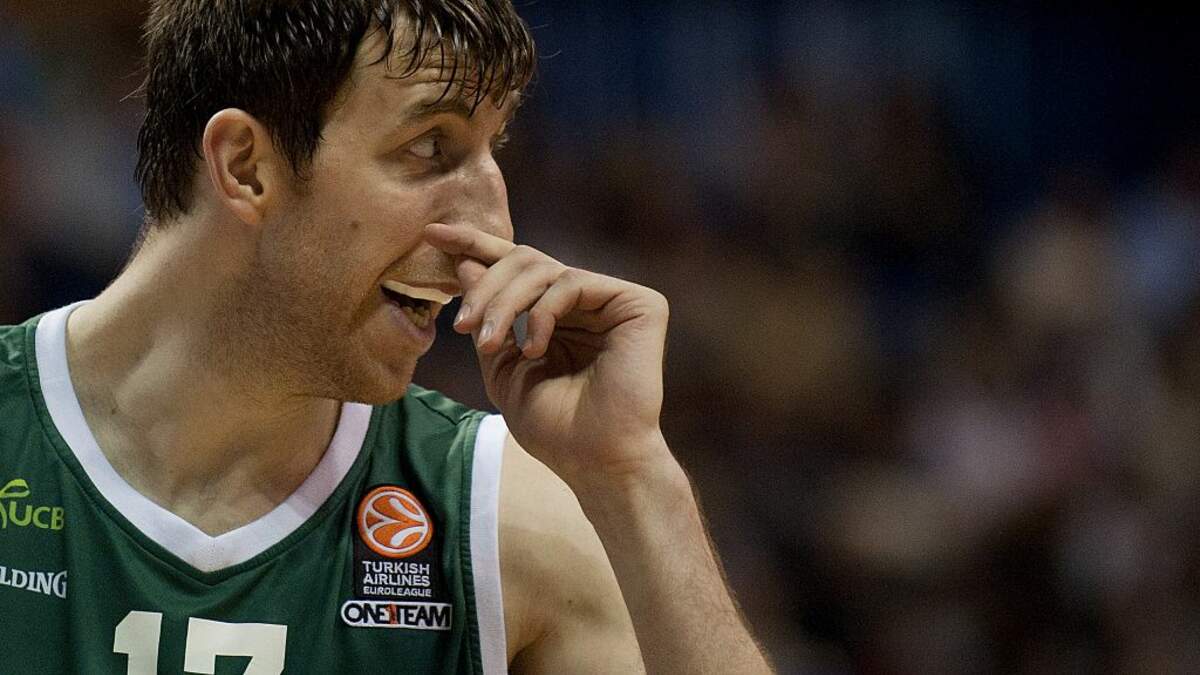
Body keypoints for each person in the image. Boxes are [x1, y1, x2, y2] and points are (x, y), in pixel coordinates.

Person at [0, 1, 771, 672]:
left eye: (494, 151)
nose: (495, 227)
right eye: (429, 148)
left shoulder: (502, 520)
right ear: (246, 165)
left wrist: (634, 477)